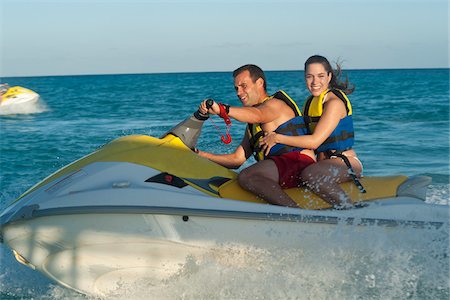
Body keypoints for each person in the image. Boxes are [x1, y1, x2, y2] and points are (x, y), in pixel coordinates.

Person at [198, 64, 316, 207]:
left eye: (243, 86)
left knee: (248, 176)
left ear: (259, 83)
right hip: (283, 167)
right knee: (238, 179)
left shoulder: (275, 105)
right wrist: (200, 155)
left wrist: (222, 110)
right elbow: (237, 160)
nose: (239, 92)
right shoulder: (254, 125)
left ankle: (295, 213)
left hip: (298, 162)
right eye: (236, 88)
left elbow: (258, 114)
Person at [260, 55, 364, 208]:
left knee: (311, 175)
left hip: (345, 164)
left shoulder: (334, 103)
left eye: (321, 76)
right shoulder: (310, 103)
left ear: (329, 76)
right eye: (310, 77)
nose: (315, 82)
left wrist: (277, 138)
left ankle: (351, 212)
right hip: (321, 164)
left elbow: (315, 141)